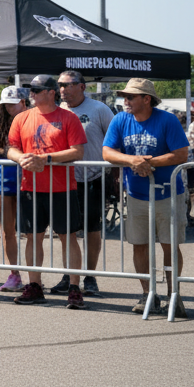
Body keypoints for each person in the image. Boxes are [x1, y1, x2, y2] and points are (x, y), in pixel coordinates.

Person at [102, 78, 188, 316]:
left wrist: (147, 163)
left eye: (130, 97)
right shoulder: (120, 119)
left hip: (168, 193)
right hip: (137, 194)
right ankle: (147, 293)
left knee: (169, 246)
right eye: (124, 96)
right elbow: (107, 151)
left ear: (146, 99)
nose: (125, 101)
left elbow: (180, 153)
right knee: (138, 245)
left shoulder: (167, 120)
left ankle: (174, 295)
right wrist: (132, 160)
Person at [7, 75, 87, 309]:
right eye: (30, 89)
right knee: (33, 237)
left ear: (51, 92)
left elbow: (77, 151)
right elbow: (11, 148)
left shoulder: (68, 118)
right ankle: (34, 285)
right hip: (30, 188)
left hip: (62, 188)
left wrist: (45, 158)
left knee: (68, 237)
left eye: (36, 89)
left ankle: (74, 287)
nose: (30, 93)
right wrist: (22, 158)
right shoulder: (22, 118)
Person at [57, 69, 114, 297]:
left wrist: (116, 171)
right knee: (66, 231)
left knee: (91, 229)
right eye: (60, 85)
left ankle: (89, 276)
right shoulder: (57, 110)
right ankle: (69, 276)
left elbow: (114, 140)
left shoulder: (99, 109)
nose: (63, 89)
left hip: (94, 178)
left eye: (69, 84)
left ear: (82, 86)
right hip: (64, 179)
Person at [0, 87, 28, 292]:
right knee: (7, 231)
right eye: (6, 104)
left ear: (24, 102)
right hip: (0, 181)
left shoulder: (33, 119)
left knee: (33, 232)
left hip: (29, 181)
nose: (10, 107)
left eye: (13, 103)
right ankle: (14, 274)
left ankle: (34, 278)